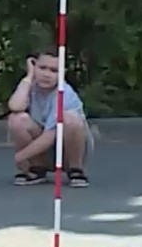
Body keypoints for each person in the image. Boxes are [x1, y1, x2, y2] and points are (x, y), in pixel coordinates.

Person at [6, 44, 92, 187]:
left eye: (54, 70)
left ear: (62, 73)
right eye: (42, 68)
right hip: (45, 149)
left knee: (70, 118)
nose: (46, 74)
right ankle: (37, 169)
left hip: (67, 149)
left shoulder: (63, 93)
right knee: (17, 119)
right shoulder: (31, 86)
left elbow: (50, 136)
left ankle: (76, 169)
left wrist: (21, 156)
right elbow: (15, 106)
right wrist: (28, 77)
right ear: (34, 67)